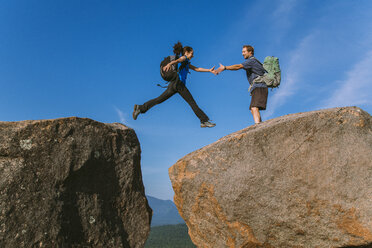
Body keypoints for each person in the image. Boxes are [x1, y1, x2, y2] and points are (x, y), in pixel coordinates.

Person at [132, 42, 216, 128]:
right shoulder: (184, 58)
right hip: (179, 84)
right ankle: (204, 121)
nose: (193, 56)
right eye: (192, 53)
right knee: (192, 103)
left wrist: (209, 70)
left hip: (174, 85)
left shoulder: (187, 63)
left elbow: (197, 69)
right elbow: (179, 60)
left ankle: (140, 108)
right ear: (186, 52)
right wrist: (170, 63)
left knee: (159, 100)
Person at [215, 45, 267, 124]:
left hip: (259, 86)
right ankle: (260, 125)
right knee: (252, 109)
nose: (242, 53)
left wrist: (225, 67)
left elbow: (238, 66)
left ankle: (258, 126)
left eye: (244, 52)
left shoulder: (251, 61)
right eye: (242, 52)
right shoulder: (252, 61)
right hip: (257, 87)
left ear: (250, 52)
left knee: (254, 108)